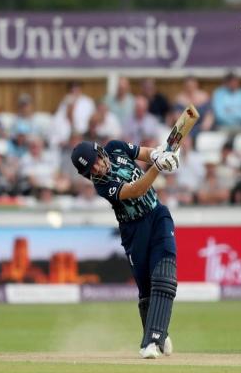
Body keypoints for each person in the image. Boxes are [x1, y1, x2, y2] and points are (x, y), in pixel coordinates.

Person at [70, 139, 181, 359]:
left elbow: (146, 153)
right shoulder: (102, 186)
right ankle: (157, 330)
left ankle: (151, 340)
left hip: (157, 215)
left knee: (165, 277)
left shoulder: (116, 148)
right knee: (146, 290)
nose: (96, 168)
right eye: (90, 169)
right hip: (133, 231)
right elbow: (135, 190)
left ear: (100, 151)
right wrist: (158, 168)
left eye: (96, 162)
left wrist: (159, 156)